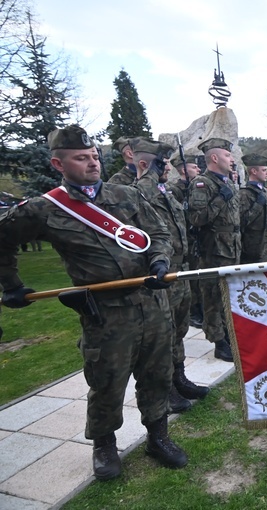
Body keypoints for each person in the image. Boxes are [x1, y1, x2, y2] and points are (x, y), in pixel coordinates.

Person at [0, 125, 187, 481]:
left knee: (158, 374)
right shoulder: (45, 209)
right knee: (107, 382)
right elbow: (2, 240)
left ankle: (158, 436)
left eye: (95, 156)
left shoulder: (125, 195)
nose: (92, 163)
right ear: (59, 163)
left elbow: (159, 232)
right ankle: (104, 445)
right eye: (81, 158)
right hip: (105, 314)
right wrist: (12, 285)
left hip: (152, 303)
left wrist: (159, 260)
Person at [132, 139, 210, 412]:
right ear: (143, 164)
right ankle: (165, 390)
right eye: (161, 163)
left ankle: (179, 379)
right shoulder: (139, 193)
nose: (167, 167)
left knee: (178, 330)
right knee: (162, 336)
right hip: (161, 274)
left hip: (180, 272)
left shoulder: (163, 190)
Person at [187, 137, 240, 362]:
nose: (232, 159)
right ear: (215, 158)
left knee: (228, 297)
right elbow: (197, 218)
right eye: (227, 155)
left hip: (231, 249)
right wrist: (220, 199)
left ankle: (228, 335)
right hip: (214, 251)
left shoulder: (226, 183)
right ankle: (218, 342)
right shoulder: (202, 183)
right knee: (213, 297)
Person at [169, 155, 204, 328]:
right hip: (186, 239)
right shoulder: (176, 190)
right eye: (194, 167)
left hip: (196, 237)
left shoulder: (195, 188)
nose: (198, 170)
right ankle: (193, 310)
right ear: (184, 169)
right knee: (190, 275)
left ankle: (199, 307)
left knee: (198, 273)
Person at [239, 153, 267, 263]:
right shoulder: (245, 193)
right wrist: (257, 205)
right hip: (253, 248)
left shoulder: (265, 192)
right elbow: (242, 221)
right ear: (254, 171)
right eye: (264, 170)